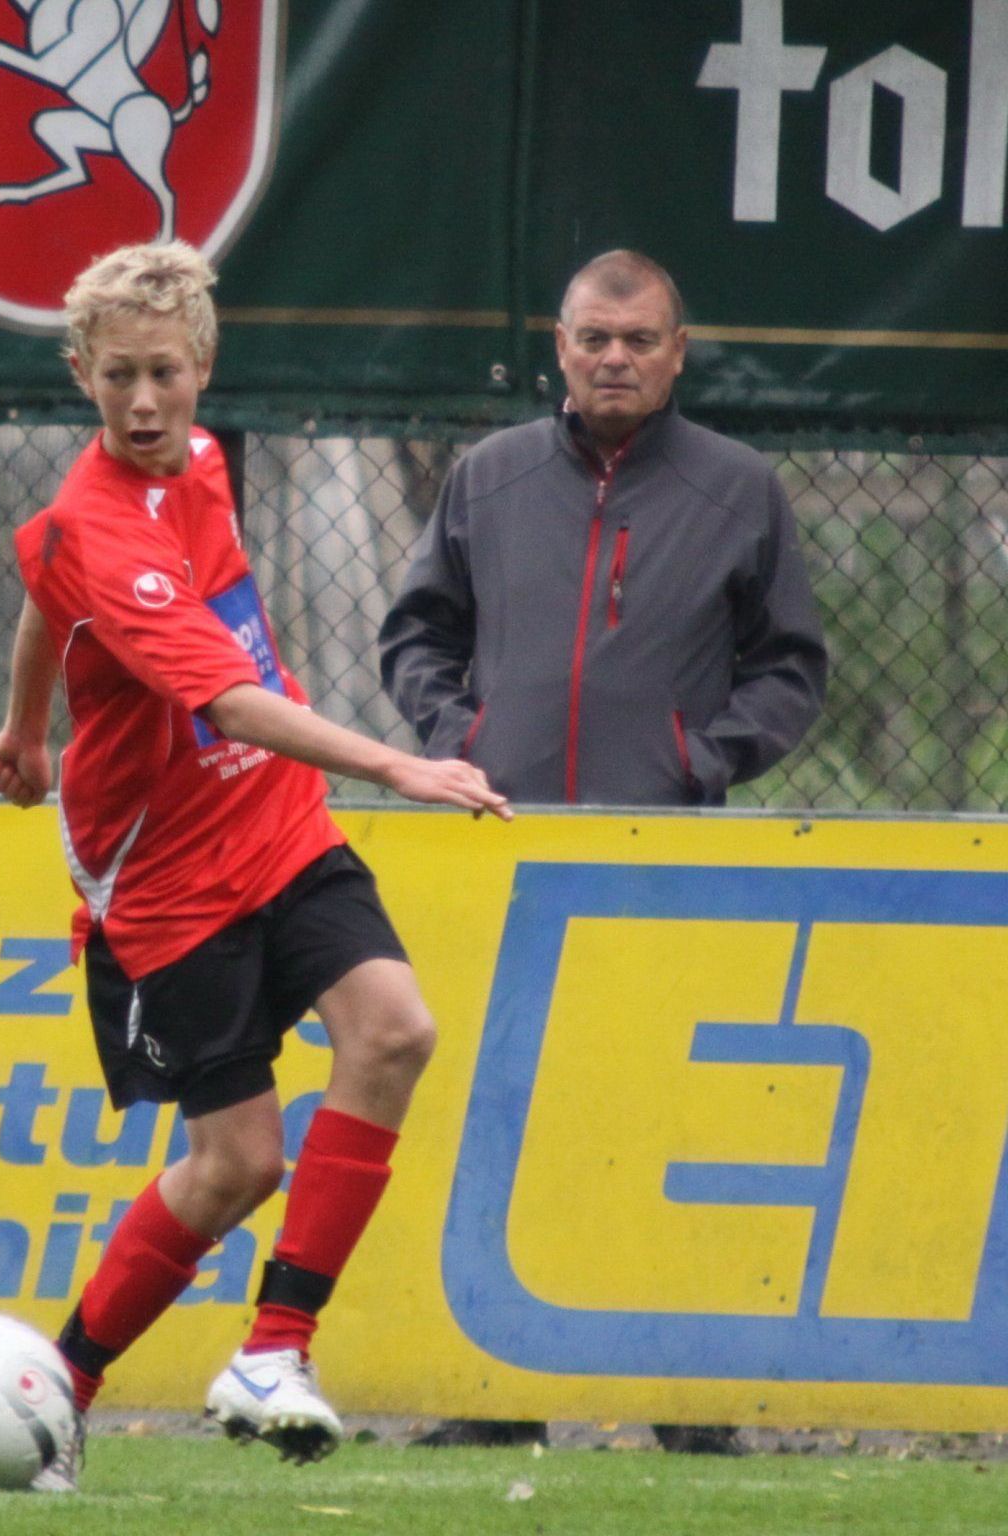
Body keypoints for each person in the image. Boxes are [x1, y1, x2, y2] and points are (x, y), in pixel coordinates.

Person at [0, 241, 510, 1490]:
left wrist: (22, 729)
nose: (144, 402)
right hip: (161, 878)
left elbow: (49, 606)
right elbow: (219, 697)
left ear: (202, 368)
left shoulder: (204, 464)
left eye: (163, 373)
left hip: (274, 826)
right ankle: (62, 1388)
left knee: (391, 1033)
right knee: (236, 1164)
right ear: (80, 375)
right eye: (117, 378)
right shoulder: (92, 525)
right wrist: (394, 766)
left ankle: (275, 1348)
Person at [379, 248, 827, 1455]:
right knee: (496, 1117)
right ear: (559, 350)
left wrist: (698, 760)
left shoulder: (739, 489)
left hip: (662, 868)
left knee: (668, 1123)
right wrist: (455, 739)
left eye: (637, 340)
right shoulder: (487, 477)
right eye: (592, 338)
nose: (613, 358)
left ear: (678, 353)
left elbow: (789, 668)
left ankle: (686, 1403)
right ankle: (488, 1402)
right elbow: (416, 633)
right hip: (504, 859)